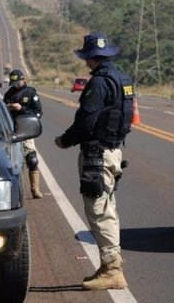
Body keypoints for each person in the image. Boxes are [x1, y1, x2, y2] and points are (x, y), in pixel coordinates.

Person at [54, 32, 134, 290]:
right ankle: (108, 264)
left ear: (90, 58)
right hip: (114, 150)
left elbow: (86, 121)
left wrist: (65, 140)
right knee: (107, 208)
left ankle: (112, 269)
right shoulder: (122, 79)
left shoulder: (99, 83)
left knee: (99, 212)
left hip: (97, 155)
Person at [4, 69, 44, 199]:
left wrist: (22, 108)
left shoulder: (31, 93)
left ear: (23, 80)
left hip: (26, 130)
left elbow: (38, 113)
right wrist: (9, 107)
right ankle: (13, 191)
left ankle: (35, 189)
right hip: (12, 130)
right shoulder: (9, 94)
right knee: (10, 162)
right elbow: (2, 111)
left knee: (32, 159)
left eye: (17, 82)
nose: (15, 84)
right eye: (13, 82)